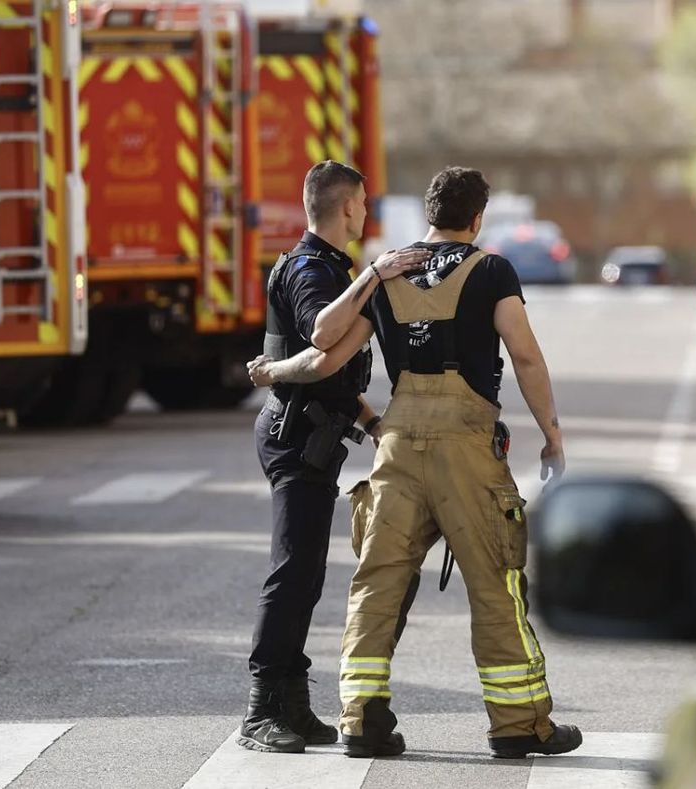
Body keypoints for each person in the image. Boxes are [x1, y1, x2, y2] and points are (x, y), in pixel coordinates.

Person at [249, 167, 580, 760]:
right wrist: (552, 437)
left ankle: (361, 719)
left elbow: (326, 357)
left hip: (397, 443)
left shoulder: (386, 274)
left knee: (377, 582)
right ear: (477, 218)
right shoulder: (492, 270)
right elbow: (526, 358)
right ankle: (518, 724)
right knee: (496, 582)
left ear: (428, 212)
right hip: (465, 446)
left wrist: (273, 372)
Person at [240, 161, 428, 755]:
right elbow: (322, 338)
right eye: (364, 203)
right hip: (294, 435)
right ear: (347, 207)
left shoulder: (327, 269)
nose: (366, 213)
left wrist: (373, 424)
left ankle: (293, 705)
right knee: (292, 571)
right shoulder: (309, 270)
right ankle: (260, 711)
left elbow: (334, 375)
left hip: (314, 433)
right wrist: (373, 276)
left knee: (308, 573)